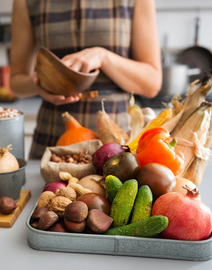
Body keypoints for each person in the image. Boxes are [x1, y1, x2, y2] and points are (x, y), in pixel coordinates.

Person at [10, 0, 162, 159]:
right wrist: (38, 83)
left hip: (116, 145)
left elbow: (152, 83)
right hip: (52, 143)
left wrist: (103, 57)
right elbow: (16, 83)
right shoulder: (25, 2)